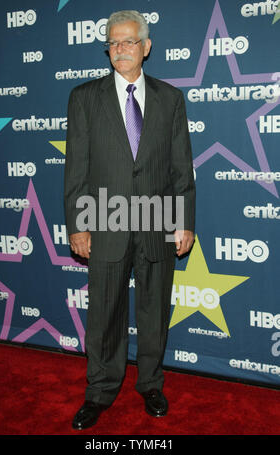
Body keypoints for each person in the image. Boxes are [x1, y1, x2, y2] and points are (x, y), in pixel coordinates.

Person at [64, 10, 196, 430]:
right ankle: (100, 389)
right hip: (104, 221)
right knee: (104, 313)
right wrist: (79, 223)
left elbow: (180, 168)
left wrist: (184, 221)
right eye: (113, 43)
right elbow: (77, 169)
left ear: (146, 47)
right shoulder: (85, 97)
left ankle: (151, 383)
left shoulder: (170, 98)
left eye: (128, 42)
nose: (120, 49)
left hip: (158, 222)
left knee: (155, 311)